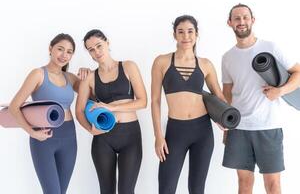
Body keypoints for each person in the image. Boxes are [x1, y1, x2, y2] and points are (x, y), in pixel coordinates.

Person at [222, 3, 300, 194]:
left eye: (245, 17)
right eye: (237, 18)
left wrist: (280, 92)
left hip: (268, 126)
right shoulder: (227, 57)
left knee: (272, 184)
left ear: (252, 20)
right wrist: (227, 126)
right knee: (244, 182)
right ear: (229, 23)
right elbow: (227, 94)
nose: (241, 22)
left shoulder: (270, 47)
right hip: (239, 128)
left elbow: (297, 72)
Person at [151, 15, 226, 194]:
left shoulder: (206, 64)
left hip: (203, 131)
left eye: (190, 31)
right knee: (166, 188)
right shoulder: (161, 61)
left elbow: (219, 96)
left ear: (197, 34)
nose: (186, 36)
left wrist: (227, 120)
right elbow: (155, 101)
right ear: (174, 35)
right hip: (175, 131)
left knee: (197, 189)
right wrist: (158, 136)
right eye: (181, 32)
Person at [8, 33, 83, 194]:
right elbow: (14, 106)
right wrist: (32, 132)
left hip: (69, 137)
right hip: (43, 139)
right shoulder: (38, 74)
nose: (64, 55)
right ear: (50, 48)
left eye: (69, 52)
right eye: (60, 49)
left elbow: (92, 93)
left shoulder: (70, 78)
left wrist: (87, 74)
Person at [75, 29, 147, 194]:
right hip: (104, 139)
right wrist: (91, 130)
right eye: (91, 50)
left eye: (99, 46)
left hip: (130, 136)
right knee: (106, 191)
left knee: (126, 191)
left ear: (108, 43)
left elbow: (143, 102)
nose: (96, 52)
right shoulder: (90, 77)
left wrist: (112, 107)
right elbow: (79, 111)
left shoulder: (128, 66)